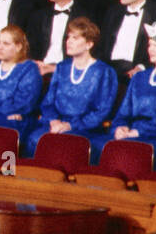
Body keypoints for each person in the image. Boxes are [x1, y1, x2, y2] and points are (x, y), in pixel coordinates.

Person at [94, 38, 156, 171]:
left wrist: (137, 132)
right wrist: (120, 127)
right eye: (149, 45)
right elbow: (123, 113)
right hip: (131, 134)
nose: (150, 49)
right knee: (100, 146)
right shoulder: (139, 77)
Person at [24, 17, 119, 156]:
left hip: (85, 129)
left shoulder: (104, 72)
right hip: (56, 125)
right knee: (34, 139)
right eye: (68, 37)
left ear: (89, 44)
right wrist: (54, 121)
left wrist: (70, 126)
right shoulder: (62, 67)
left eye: (75, 38)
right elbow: (48, 102)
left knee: (67, 145)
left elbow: (101, 111)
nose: (69, 41)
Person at [27, 0, 90, 74]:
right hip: (40, 71)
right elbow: (30, 47)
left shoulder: (85, 17)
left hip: (70, 72)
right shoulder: (39, 16)